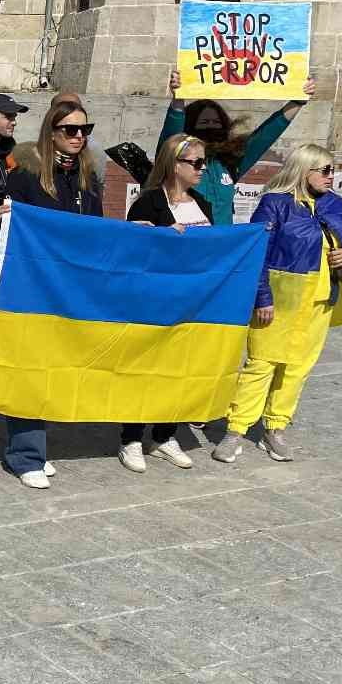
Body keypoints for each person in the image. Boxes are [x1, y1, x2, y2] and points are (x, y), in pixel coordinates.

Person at [214, 143, 342, 464]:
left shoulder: (335, 205)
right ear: (304, 169)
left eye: (332, 170)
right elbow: (259, 253)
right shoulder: (275, 204)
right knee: (261, 364)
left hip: (320, 301)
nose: (330, 176)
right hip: (281, 301)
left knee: (297, 368)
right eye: (324, 170)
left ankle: (275, 427)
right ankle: (236, 429)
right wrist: (262, 297)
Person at [0, 99, 104, 489]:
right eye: (70, 130)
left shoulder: (87, 177)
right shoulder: (25, 174)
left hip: (70, 289)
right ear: (51, 132)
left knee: (55, 369)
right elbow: (8, 223)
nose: (79, 137)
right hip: (31, 288)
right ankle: (24, 454)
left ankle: (36, 446)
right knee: (30, 369)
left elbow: (96, 231)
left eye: (84, 130)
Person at [117, 133, 213, 474]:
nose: (203, 168)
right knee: (145, 371)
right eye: (196, 163)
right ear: (174, 164)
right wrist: (161, 237)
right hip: (153, 304)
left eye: (204, 162)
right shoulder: (148, 203)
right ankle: (130, 438)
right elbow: (130, 253)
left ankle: (164, 435)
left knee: (178, 371)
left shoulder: (203, 203)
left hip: (190, 305)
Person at [160, 70, 319, 226]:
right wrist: (178, 100)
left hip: (223, 247)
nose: (210, 128)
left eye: (216, 123)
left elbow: (264, 137)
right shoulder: (176, 162)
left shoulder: (229, 163)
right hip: (185, 246)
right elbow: (171, 137)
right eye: (204, 123)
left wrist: (298, 102)